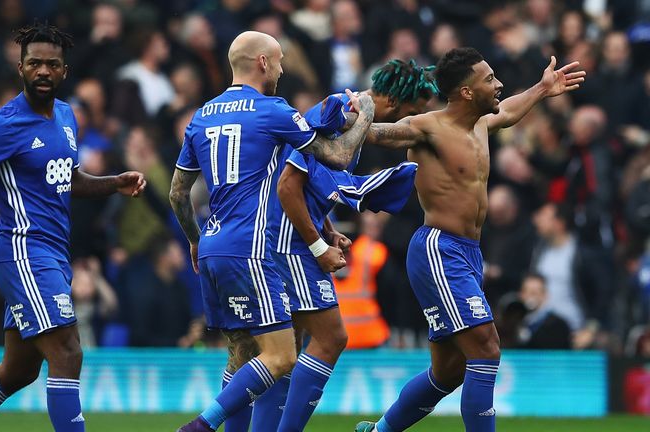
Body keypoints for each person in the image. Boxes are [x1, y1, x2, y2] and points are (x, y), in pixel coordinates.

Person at [0, 23, 146, 432]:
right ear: (20, 67)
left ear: (64, 72)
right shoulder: (2, 125)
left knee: (18, 370)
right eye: (34, 63)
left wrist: (113, 183)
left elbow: (67, 179)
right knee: (68, 351)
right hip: (23, 251)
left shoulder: (68, 116)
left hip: (52, 253)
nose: (43, 71)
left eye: (52, 64)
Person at [354, 47, 585, 432]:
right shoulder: (427, 126)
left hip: (467, 253)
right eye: (490, 79)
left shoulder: (482, 124)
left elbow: (509, 110)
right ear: (465, 92)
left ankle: (379, 431)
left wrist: (543, 89)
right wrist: (351, 114)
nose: (498, 85)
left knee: (448, 372)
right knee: (487, 348)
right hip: (438, 249)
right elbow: (378, 133)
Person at [170, 31, 375, 432]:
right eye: (279, 61)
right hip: (252, 248)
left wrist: (195, 240)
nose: (281, 69)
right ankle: (201, 425)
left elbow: (178, 193)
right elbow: (337, 156)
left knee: (243, 355)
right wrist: (365, 112)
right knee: (282, 357)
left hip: (213, 245)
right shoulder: (272, 110)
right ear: (263, 63)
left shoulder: (202, 116)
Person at [241, 59, 436, 432]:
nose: (406, 125)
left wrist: (327, 228)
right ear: (394, 104)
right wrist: (318, 246)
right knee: (331, 338)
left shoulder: (349, 119)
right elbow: (286, 185)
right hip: (288, 242)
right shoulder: (338, 111)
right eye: (410, 114)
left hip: (286, 237)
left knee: (285, 354)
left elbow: (310, 180)